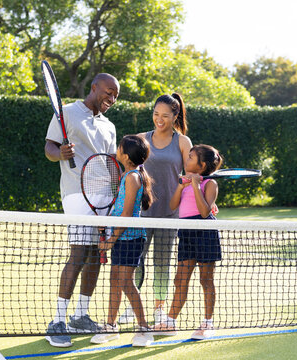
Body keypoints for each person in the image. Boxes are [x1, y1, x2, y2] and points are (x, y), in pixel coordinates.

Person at [44, 73, 120, 348]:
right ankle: (58, 321)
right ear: (94, 87)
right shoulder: (66, 113)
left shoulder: (109, 126)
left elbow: (112, 164)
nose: (111, 98)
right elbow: (49, 147)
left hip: (104, 197)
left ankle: (81, 315)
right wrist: (60, 153)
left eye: (115, 96)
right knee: (78, 253)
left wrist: (117, 196)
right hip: (76, 193)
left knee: (96, 255)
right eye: (108, 92)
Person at [118, 93, 193, 325]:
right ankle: (133, 307)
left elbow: (190, 176)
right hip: (141, 214)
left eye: (165, 116)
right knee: (136, 261)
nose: (159, 119)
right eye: (155, 114)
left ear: (175, 115)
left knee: (162, 262)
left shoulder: (183, 142)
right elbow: (128, 171)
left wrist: (209, 199)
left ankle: (159, 307)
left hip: (169, 215)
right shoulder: (141, 138)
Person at [152, 144, 223, 340]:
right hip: (186, 233)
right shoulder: (182, 181)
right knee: (179, 280)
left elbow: (204, 212)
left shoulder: (210, 184)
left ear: (202, 165)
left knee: (206, 280)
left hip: (205, 232)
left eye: (191, 157)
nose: (187, 160)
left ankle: (208, 323)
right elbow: (173, 205)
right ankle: (170, 322)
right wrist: (182, 186)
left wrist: (195, 185)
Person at [90, 135, 155, 347]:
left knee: (126, 283)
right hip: (120, 237)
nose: (116, 149)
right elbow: (119, 211)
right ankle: (111, 325)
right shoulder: (127, 174)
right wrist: (108, 227)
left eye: (119, 148)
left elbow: (127, 214)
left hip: (131, 239)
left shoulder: (132, 177)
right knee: (115, 281)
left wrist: (110, 240)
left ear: (125, 156)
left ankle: (144, 328)